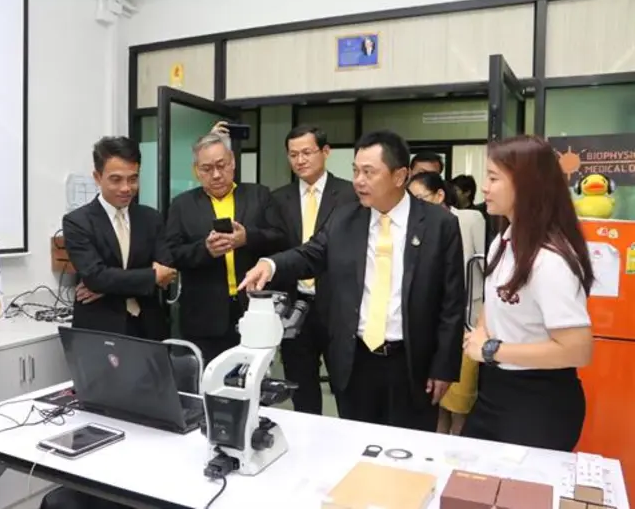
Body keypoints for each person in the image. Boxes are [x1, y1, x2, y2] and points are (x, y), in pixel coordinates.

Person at [239, 130, 465, 432]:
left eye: (369, 172)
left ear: (400, 176)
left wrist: (444, 367)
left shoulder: (440, 224)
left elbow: (452, 302)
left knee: (407, 447)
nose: (358, 181)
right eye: (355, 171)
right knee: (356, 443)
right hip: (355, 360)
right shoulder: (345, 218)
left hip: (412, 363)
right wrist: (271, 264)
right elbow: (311, 253)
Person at [462, 135, 594, 451]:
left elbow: (577, 350)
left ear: (526, 184)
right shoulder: (503, 241)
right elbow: (494, 298)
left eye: (494, 178)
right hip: (495, 389)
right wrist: (481, 331)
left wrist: (491, 349)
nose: (484, 188)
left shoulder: (549, 259)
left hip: (538, 400)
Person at [164, 132, 284, 365]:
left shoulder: (259, 195)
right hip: (203, 315)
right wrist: (205, 250)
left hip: (253, 308)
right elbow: (171, 254)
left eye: (221, 165)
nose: (216, 175)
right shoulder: (182, 205)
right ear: (196, 170)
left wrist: (247, 238)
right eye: (207, 169)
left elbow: (281, 239)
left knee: (251, 377)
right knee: (207, 378)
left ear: (233, 162)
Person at [269, 125, 357, 415]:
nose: (300, 160)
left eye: (307, 152)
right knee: (301, 387)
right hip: (295, 306)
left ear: (326, 152)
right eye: (293, 154)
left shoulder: (350, 194)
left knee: (346, 387)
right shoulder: (278, 199)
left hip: (338, 305)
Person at [62, 136, 176, 339]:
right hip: (100, 330)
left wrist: (108, 287)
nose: (126, 188)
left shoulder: (151, 218)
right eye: (116, 179)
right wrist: (150, 276)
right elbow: (95, 277)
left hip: (147, 327)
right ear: (97, 177)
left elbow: (166, 270)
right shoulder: (78, 222)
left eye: (133, 179)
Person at [407, 171, 486, 435]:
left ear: (440, 195)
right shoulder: (413, 225)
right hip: (430, 322)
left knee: (459, 400)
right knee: (436, 402)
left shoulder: (469, 219)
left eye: (421, 198)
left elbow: (484, 264)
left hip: (466, 319)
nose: (415, 205)